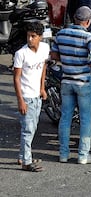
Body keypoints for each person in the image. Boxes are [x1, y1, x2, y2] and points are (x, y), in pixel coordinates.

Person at [50, 5, 91, 164]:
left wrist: (67, 62)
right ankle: (82, 155)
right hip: (83, 82)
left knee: (65, 117)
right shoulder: (88, 37)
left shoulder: (61, 34)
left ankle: (63, 154)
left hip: (66, 80)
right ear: (87, 22)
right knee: (86, 119)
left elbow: (54, 55)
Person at [13, 21, 48, 172]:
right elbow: (16, 78)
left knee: (33, 128)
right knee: (28, 129)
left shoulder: (45, 48)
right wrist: (20, 100)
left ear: (40, 37)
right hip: (26, 96)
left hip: (37, 96)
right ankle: (26, 162)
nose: (30, 39)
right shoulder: (21, 54)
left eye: (33, 36)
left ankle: (23, 155)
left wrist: (42, 88)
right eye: (28, 36)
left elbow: (44, 68)